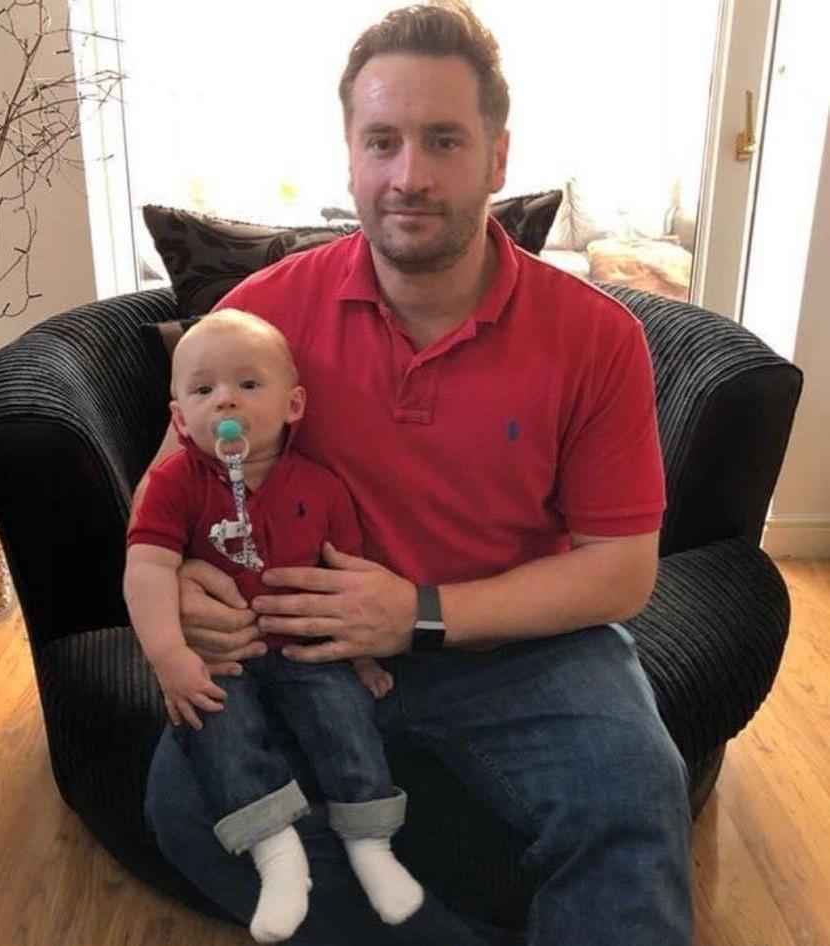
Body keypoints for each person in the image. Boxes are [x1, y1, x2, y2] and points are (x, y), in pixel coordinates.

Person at [142, 3, 694, 944]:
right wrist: (186, 575)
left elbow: (621, 569)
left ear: (498, 157)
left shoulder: (597, 336)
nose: (410, 176)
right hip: (303, 646)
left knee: (634, 798)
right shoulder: (261, 316)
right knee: (184, 805)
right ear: (350, 156)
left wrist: (417, 613)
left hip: (525, 644)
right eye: (383, 141)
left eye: (444, 140)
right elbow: (172, 484)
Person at [126, 310, 423, 943]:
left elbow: (350, 573)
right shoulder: (174, 484)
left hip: (306, 648)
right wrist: (168, 655)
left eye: (248, 385)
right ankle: (276, 854)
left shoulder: (321, 487)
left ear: (293, 405)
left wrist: (364, 656)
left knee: (347, 723)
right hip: (222, 657)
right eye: (203, 391)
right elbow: (146, 566)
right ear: (180, 419)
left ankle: (372, 844)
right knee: (218, 731)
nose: (225, 399)